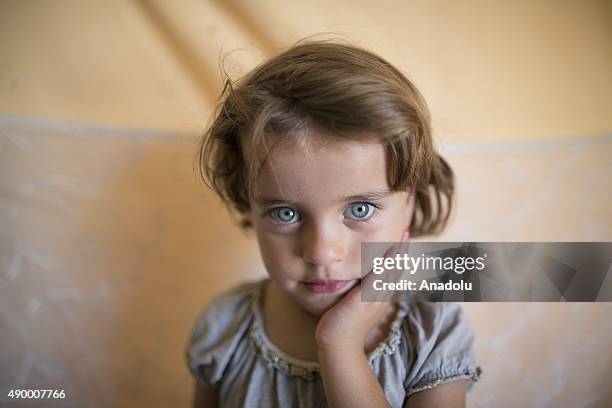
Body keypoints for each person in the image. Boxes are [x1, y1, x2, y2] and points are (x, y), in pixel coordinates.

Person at [186, 37, 481, 407]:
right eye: (285, 213)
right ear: (250, 206)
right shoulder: (224, 326)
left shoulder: (432, 330)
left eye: (359, 209)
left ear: (411, 202)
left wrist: (339, 346)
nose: (322, 253)